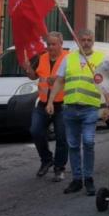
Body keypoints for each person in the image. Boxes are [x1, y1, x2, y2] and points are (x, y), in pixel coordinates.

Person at [47, 29, 104, 196]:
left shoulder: (100, 59)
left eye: (89, 40)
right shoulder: (69, 58)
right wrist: (50, 101)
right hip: (70, 109)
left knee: (88, 142)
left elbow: (107, 84)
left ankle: (89, 178)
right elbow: (59, 81)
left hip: (90, 108)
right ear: (78, 41)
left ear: (93, 41)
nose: (86, 43)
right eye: (83, 40)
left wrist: (107, 105)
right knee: (72, 145)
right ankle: (77, 180)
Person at [22, 32, 70, 180]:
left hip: (62, 104)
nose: (50, 47)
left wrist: (58, 79)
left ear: (61, 44)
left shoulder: (69, 58)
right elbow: (33, 76)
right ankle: (47, 160)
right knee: (35, 131)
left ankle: (59, 167)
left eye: (53, 44)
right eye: (48, 44)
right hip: (43, 103)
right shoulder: (41, 57)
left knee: (62, 137)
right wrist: (28, 68)